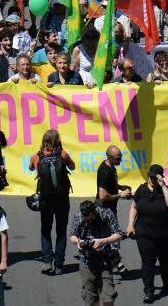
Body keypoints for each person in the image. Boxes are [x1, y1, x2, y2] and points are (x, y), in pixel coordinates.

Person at [126, 164, 168, 303]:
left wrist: (163, 185)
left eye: (156, 178)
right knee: (148, 263)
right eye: (151, 177)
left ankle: (167, 282)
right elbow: (134, 207)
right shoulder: (141, 190)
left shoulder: (166, 190)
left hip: (164, 234)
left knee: (165, 260)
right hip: (144, 234)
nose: (152, 180)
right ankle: (149, 291)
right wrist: (130, 224)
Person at [28, 128, 74, 275]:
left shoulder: (37, 156)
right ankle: (59, 265)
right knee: (61, 230)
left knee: (45, 229)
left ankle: (47, 261)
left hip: (46, 198)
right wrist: (62, 154)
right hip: (62, 198)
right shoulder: (62, 154)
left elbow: (30, 169)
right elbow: (73, 166)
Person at [69, 198, 123, 306]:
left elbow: (119, 235)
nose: (87, 221)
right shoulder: (78, 217)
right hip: (86, 261)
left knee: (109, 294)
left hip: (104, 260)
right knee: (90, 296)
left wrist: (103, 241)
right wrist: (78, 241)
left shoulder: (106, 214)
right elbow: (72, 235)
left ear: (95, 212)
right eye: (86, 219)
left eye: (90, 219)